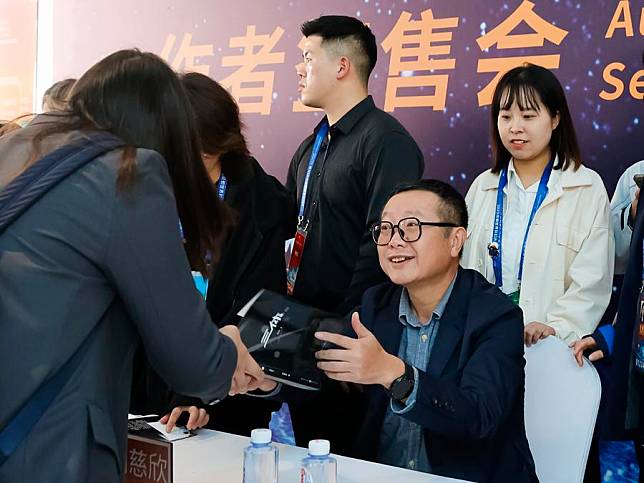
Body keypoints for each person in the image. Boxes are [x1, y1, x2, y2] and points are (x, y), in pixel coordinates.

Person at [0, 49, 265, 482]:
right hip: (47, 452)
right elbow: (190, 360)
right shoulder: (128, 173)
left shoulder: (15, 149)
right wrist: (229, 352)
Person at [313, 180, 538, 482]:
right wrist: (272, 378)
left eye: (410, 227)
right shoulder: (374, 305)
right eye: (385, 228)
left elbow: (480, 417)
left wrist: (395, 374)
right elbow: (332, 385)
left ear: (455, 240)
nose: (394, 241)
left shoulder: (496, 316)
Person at [285, 14, 424, 452]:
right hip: (302, 336)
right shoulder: (310, 147)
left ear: (342, 66)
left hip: (355, 343)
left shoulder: (386, 141)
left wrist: (345, 328)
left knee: (353, 460)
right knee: (314, 458)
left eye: (308, 57)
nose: (299, 68)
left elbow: (387, 246)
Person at [131, 72, 293, 434]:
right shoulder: (142, 192)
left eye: (204, 154)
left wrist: (203, 390)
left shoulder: (258, 204)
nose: (190, 165)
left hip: (225, 397)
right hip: (143, 387)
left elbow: (261, 308)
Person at [461, 63, 614, 347]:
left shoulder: (586, 187)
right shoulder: (483, 186)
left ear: (555, 119)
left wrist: (557, 328)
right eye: (505, 116)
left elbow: (593, 281)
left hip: (550, 348)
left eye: (529, 116)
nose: (515, 128)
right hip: (480, 342)